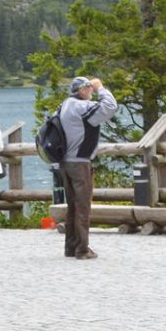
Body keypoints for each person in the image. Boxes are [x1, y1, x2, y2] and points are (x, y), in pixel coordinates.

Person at [56, 76, 118, 259]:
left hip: (65, 162)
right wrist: (101, 88)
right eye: (89, 88)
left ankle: (71, 246)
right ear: (82, 91)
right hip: (80, 162)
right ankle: (82, 249)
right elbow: (110, 107)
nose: (91, 91)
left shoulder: (65, 104)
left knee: (73, 206)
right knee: (83, 206)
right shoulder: (82, 107)